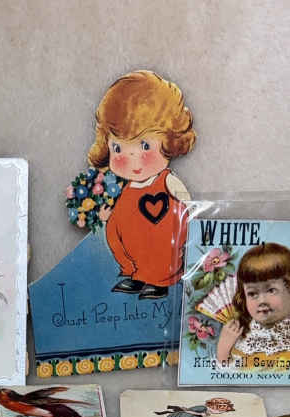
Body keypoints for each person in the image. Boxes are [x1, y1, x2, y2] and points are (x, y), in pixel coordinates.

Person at [88, 71, 196, 300]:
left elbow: (187, 203)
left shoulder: (166, 181)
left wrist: (191, 215)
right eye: (118, 148)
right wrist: (109, 218)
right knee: (121, 237)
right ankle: (136, 274)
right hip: (134, 248)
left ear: (169, 140)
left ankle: (160, 280)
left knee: (159, 245)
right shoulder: (126, 187)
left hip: (163, 244)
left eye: (145, 145)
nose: (132, 159)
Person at [216, 243, 290, 367]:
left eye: (271, 290)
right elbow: (230, 374)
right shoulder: (243, 338)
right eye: (252, 293)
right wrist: (223, 351)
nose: (262, 301)